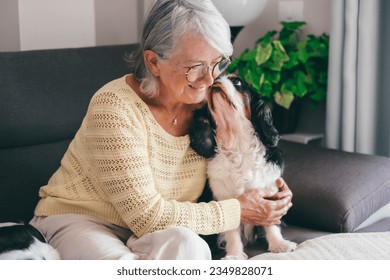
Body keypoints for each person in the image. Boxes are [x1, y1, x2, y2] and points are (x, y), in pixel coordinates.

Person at [30, 0, 293, 260]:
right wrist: (239, 210)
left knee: (190, 246)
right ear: (154, 62)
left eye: (218, 63)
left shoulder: (208, 105)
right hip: (83, 220)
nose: (210, 79)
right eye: (195, 68)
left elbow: (245, 156)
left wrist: (271, 192)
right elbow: (146, 217)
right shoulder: (114, 108)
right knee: (120, 265)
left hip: (153, 231)